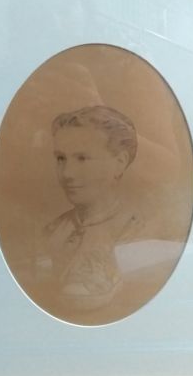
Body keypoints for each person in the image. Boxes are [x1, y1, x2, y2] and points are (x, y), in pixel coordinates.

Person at [43, 105, 143, 312]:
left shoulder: (138, 230)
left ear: (120, 162)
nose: (67, 173)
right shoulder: (53, 230)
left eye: (82, 158)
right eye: (61, 158)